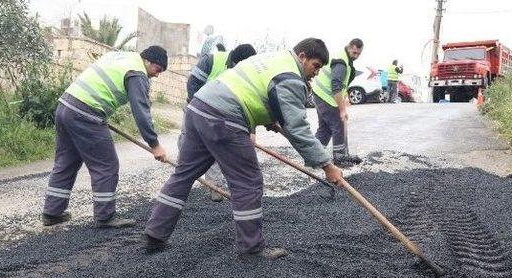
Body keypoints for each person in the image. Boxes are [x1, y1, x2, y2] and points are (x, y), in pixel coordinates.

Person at [144, 38, 345, 259]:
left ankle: (155, 232)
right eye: (316, 66)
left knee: (184, 173)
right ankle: (252, 248)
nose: (316, 72)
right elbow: (298, 129)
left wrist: (270, 117)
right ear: (303, 56)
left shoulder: (273, 58)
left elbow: (258, 90)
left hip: (198, 108)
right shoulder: (290, 77)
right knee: (248, 182)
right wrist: (327, 165)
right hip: (224, 117)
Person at [42, 46, 169, 228]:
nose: (157, 75)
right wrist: (155, 145)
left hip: (66, 106)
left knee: (66, 161)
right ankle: (105, 217)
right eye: (158, 70)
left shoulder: (121, 57)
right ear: (148, 61)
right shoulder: (137, 73)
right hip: (85, 113)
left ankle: (51, 213)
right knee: (106, 165)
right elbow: (141, 112)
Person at [181, 43, 257, 202]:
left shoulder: (247, 73)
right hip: (198, 106)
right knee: (186, 145)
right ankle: (182, 181)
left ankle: (214, 185)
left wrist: (252, 131)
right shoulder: (211, 60)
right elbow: (192, 83)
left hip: (224, 115)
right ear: (236, 61)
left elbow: (249, 102)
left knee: (216, 146)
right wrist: (195, 110)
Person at [311, 38, 364, 167]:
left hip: (319, 93)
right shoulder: (341, 62)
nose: (356, 56)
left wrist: (345, 98)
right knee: (338, 125)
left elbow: (342, 85)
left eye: (358, 53)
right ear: (349, 47)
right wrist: (342, 110)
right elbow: (336, 86)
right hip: (326, 96)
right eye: (354, 53)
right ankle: (340, 159)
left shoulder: (344, 57)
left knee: (325, 128)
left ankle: (314, 156)